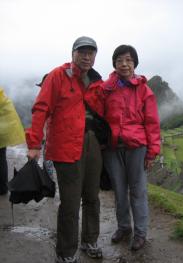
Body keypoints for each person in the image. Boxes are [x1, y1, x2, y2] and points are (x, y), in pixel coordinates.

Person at [26, 36, 105, 263]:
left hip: (92, 143)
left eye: (91, 52)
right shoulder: (57, 77)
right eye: (82, 52)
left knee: (92, 195)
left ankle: (90, 239)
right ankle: (66, 252)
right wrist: (33, 143)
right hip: (65, 144)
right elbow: (41, 108)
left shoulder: (96, 80)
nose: (86, 56)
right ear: (73, 54)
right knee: (70, 201)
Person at [102, 45, 161, 251]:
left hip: (137, 147)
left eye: (128, 60)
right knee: (119, 190)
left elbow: (152, 123)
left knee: (138, 191)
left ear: (134, 63)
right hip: (112, 147)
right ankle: (124, 227)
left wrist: (152, 152)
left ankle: (141, 232)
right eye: (119, 60)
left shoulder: (144, 90)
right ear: (114, 64)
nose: (124, 64)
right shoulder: (107, 89)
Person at [0, 87, 25, 195]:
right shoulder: (3, 97)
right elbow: (10, 114)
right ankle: (2, 188)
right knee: (1, 159)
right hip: (3, 131)